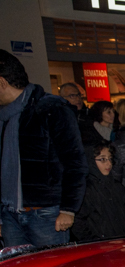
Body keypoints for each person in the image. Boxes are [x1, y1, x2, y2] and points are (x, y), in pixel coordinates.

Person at [0, 51, 87, 248]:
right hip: (9, 214)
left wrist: (68, 209)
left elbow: (75, 161)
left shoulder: (50, 108)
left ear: (2, 83)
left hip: (46, 214)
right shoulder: (4, 117)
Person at [72, 141, 125, 242]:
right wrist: (96, 241)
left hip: (120, 242)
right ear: (91, 161)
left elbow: (123, 217)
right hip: (100, 245)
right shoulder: (86, 189)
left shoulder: (117, 186)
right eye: (103, 159)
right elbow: (78, 223)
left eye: (110, 159)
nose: (108, 163)